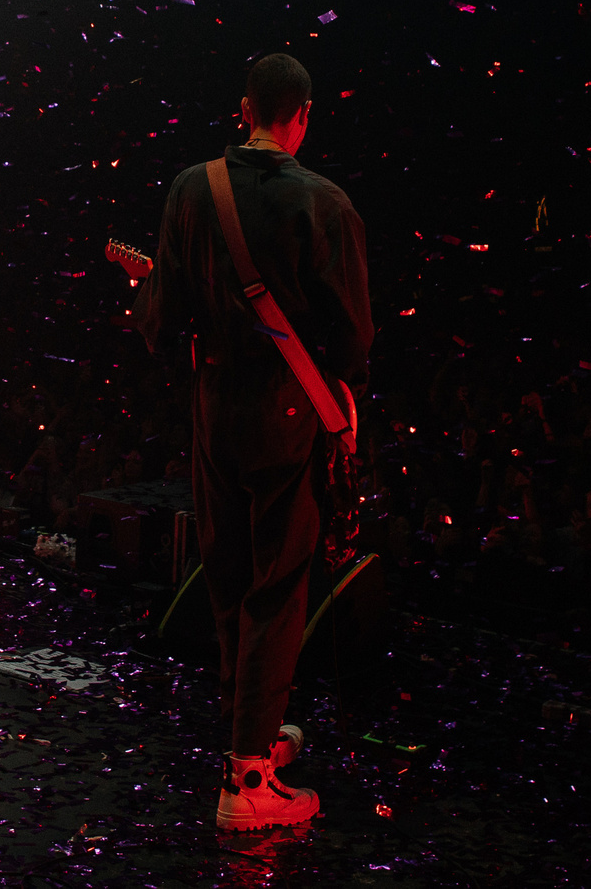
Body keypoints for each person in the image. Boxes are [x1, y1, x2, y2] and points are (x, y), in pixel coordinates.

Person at [140, 52, 371, 831]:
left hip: (213, 403)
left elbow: (162, 320)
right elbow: (353, 336)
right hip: (287, 411)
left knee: (232, 574)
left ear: (245, 108)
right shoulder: (326, 204)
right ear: (303, 114)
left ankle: (254, 736)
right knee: (278, 582)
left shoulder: (188, 187)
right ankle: (247, 780)